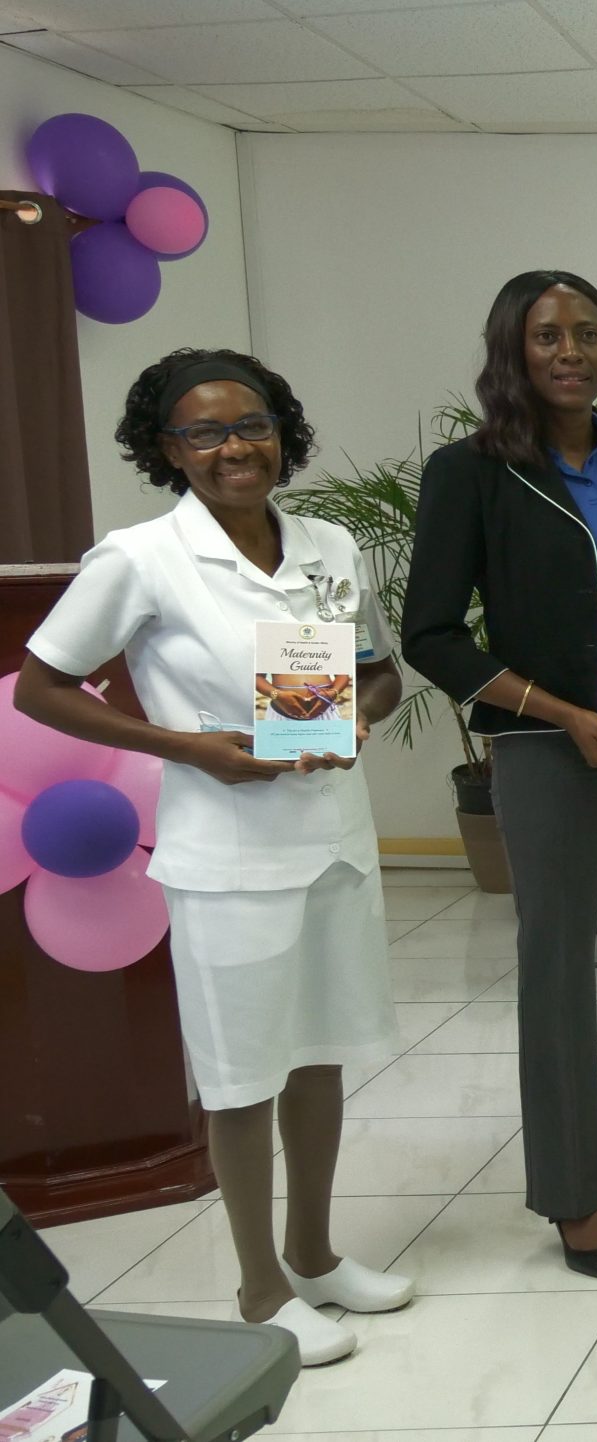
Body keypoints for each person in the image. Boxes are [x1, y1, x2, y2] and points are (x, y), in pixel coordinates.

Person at [16, 349, 410, 1365]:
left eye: (253, 423)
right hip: (226, 853)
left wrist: (359, 721)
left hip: (330, 838)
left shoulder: (327, 542)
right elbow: (41, 689)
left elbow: (379, 673)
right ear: (167, 450)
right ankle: (259, 1285)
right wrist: (187, 747)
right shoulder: (139, 558)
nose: (235, 445)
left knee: (318, 1050)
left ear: (283, 429)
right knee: (242, 1075)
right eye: (204, 432)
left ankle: (315, 1253)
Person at [406, 271, 597, 1275]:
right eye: (547, 335)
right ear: (514, 347)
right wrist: (559, 712)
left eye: (587, 332)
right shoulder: (474, 471)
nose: (570, 350)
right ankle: (571, 1191)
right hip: (548, 741)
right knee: (554, 964)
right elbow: (432, 633)